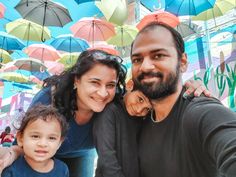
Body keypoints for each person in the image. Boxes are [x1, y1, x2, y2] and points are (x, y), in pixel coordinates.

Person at [0, 49, 209, 177]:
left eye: (110, 85)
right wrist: (10, 153)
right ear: (76, 80)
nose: (102, 93)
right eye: (94, 82)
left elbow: (155, 97)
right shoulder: (50, 100)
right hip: (41, 153)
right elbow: (26, 140)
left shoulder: (117, 105)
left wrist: (188, 89)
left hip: (81, 155)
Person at [127, 22, 236, 177]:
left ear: (183, 62)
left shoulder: (201, 113)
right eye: (137, 59)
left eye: (158, 55)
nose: (144, 67)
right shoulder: (139, 117)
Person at [1, 104, 69, 177]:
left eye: (51, 138)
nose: (43, 144)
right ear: (21, 138)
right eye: (35, 136)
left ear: (59, 143)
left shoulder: (62, 169)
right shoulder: (11, 171)